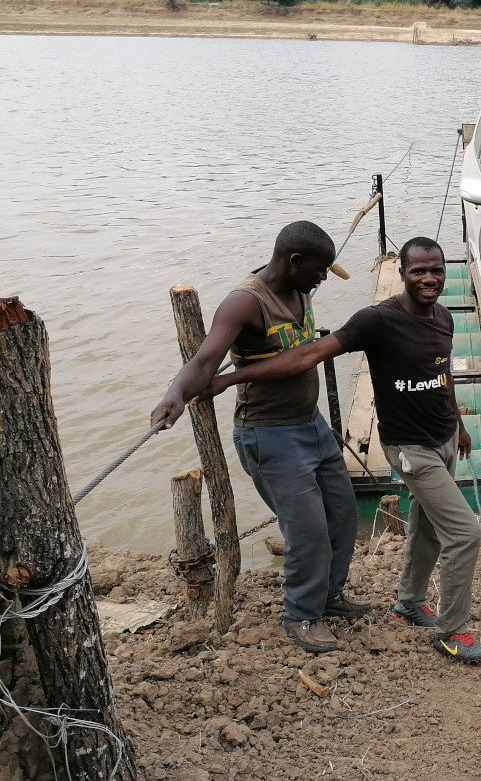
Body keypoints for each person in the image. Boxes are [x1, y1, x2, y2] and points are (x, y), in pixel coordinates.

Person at [203, 236, 481, 663]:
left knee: (428, 526)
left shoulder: (445, 317)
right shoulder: (376, 321)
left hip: (445, 437)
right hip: (410, 448)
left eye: (436, 271)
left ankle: (409, 603)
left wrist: (461, 427)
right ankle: (452, 631)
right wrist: (228, 380)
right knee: (464, 533)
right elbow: (311, 353)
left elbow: (443, 374)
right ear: (402, 273)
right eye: (418, 271)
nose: (429, 279)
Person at [151, 220, 369, 655]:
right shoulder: (244, 303)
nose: (324, 278)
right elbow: (206, 358)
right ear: (293, 262)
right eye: (320, 269)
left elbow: (300, 350)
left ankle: (330, 596)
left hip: (312, 423)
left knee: (342, 515)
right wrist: (175, 393)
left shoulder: (300, 289)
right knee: (306, 530)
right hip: (269, 435)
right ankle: (302, 614)